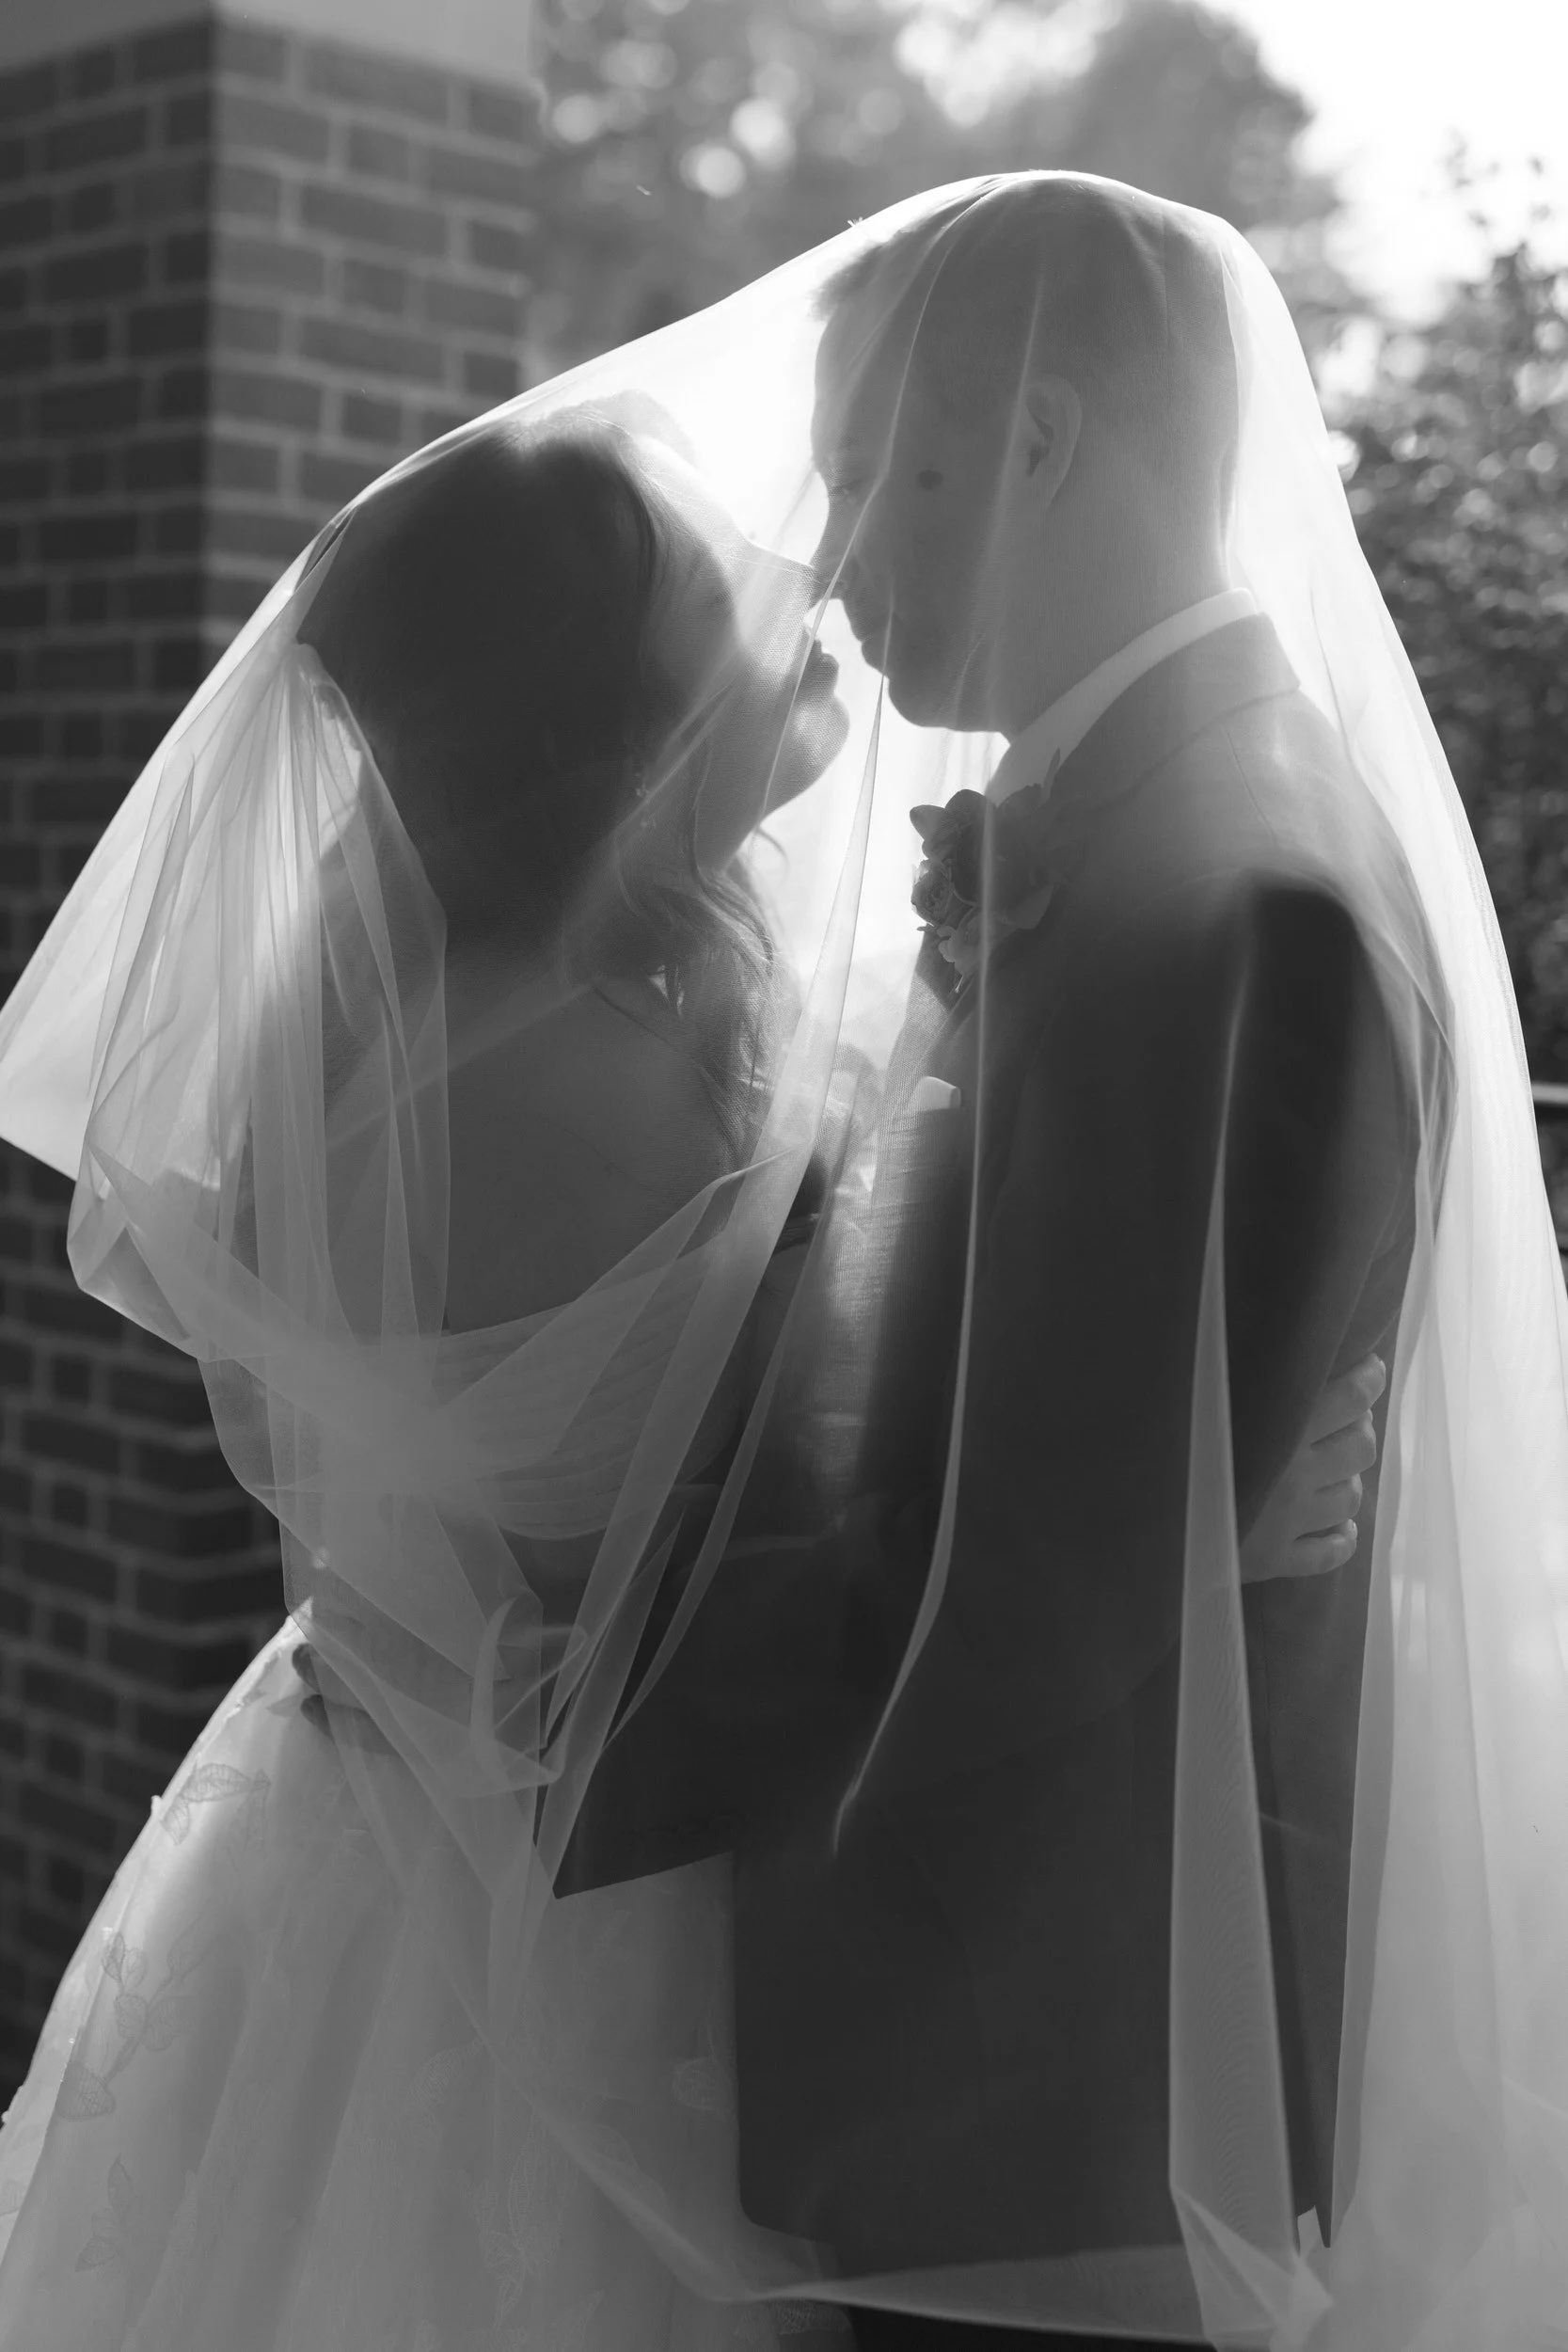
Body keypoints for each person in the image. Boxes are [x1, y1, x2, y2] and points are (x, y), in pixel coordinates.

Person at [0, 174, 1562, 2352]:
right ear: (593, 708)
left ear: (1031, 441)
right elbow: (857, 1493)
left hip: (951, 1994)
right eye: (755, 540)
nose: (814, 562)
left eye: (853, 475)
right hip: (648, 1917)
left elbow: (1016, 1562)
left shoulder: (1214, 894)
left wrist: (1193, 1521)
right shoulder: (594, 1052)